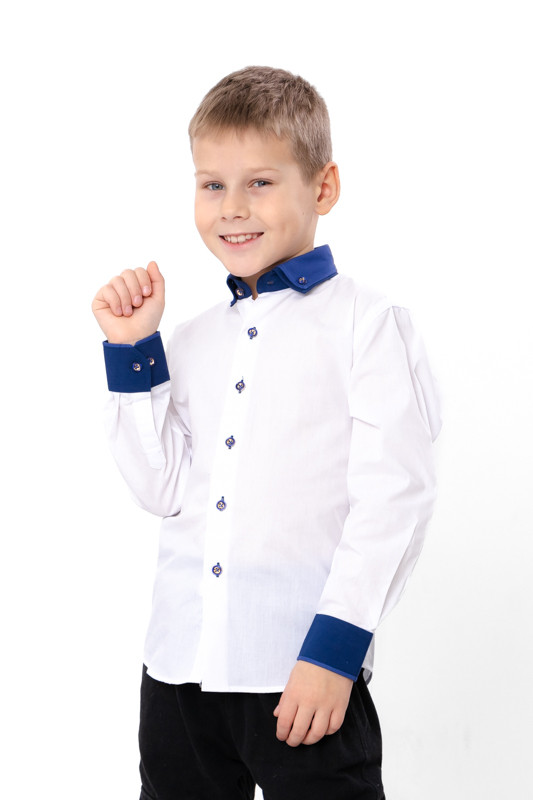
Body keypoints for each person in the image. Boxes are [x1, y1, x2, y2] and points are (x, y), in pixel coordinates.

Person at [92, 66, 441, 800]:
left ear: (323, 187)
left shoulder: (368, 323)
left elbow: (394, 499)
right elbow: (161, 490)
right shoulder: (188, 339)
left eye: (259, 182)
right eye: (211, 184)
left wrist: (335, 651)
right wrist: (132, 352)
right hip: (178, 672)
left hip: (299, 669)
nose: (232, 208)